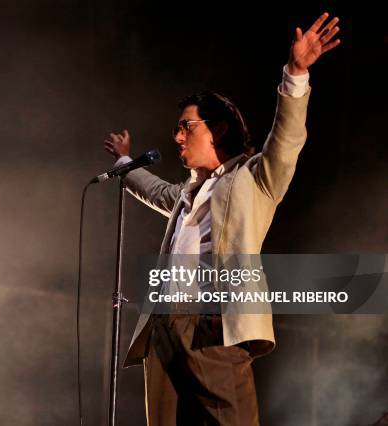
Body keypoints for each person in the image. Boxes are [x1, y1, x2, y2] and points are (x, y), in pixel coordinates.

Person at [103, 12, 341, 426]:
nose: (177, 137)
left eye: (186, 127)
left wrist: (296, 73)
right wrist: (126, 161)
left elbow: (286, 139)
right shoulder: (187, 193)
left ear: (219, 129)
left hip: (213, 323)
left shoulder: (253, 179)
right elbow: (155, 190)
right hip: (163, 324)